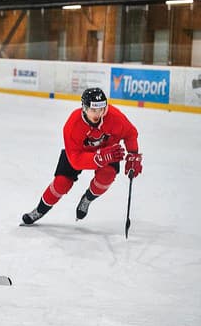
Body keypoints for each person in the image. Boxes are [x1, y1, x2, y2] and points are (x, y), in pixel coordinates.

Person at [22, 88, 143, 225]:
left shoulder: (115, 117)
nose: (98, 114)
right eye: (93, 110)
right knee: (61, 183)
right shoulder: (72, 125)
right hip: (80, 154)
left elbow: (130, 133)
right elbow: (75, 160)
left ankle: (87, 199)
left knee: (107, 176)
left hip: (108, 152)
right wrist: (99, 158)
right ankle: (39, 210)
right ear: (84, 108)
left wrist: (133, 155)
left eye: (102, 109)